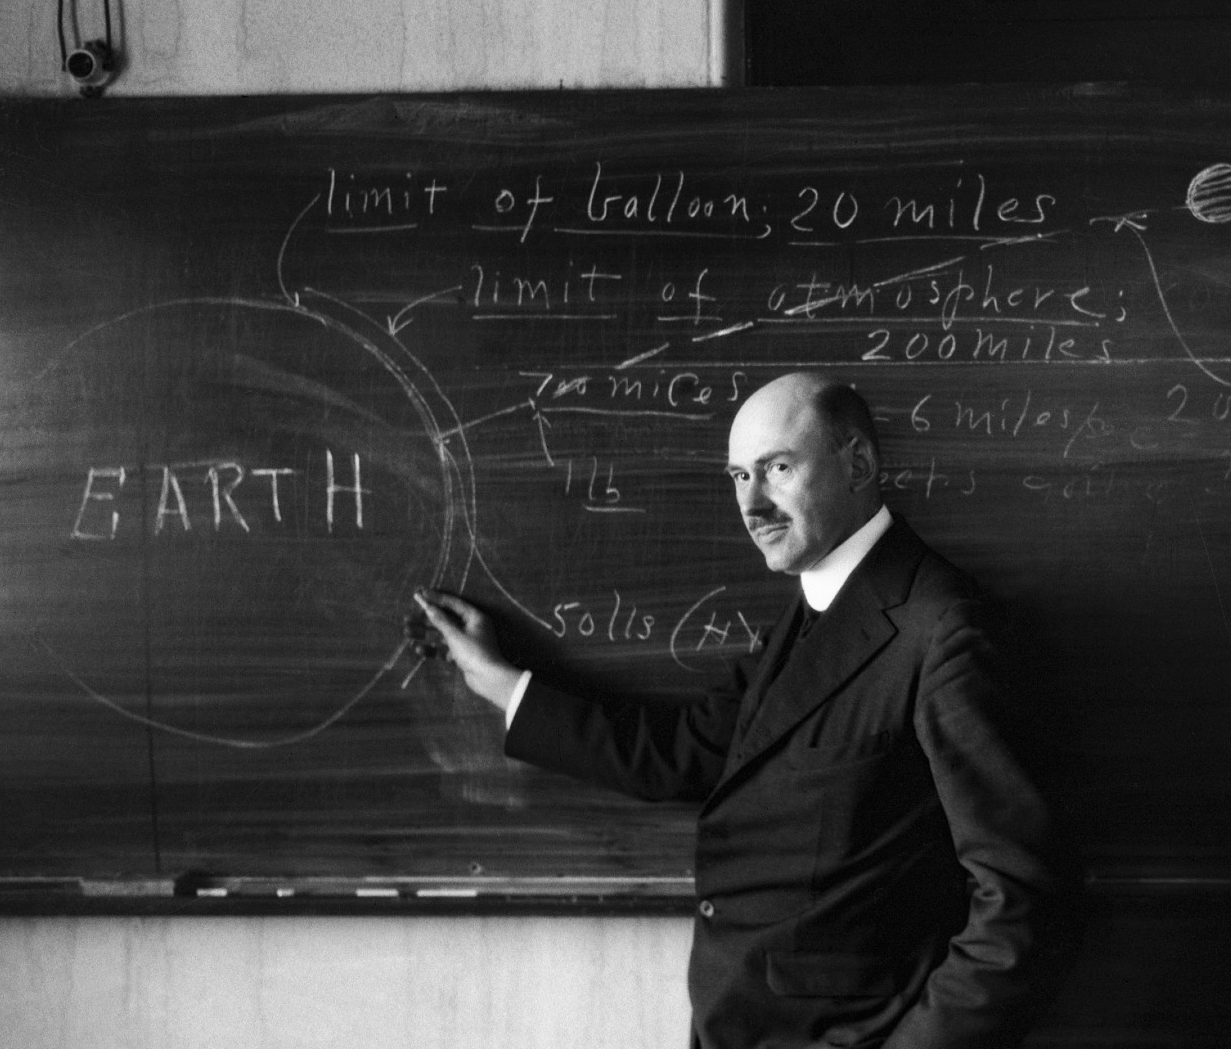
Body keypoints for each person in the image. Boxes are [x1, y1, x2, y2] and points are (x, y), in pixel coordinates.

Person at [414, 371, 1081, 1049]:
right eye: (739, 476)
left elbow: (1025, 900)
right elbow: (687, 754)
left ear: (858, 464)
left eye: (778, 469)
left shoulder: (945, 630)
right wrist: (502, 684)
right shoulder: (813, 611)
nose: (752, 503)